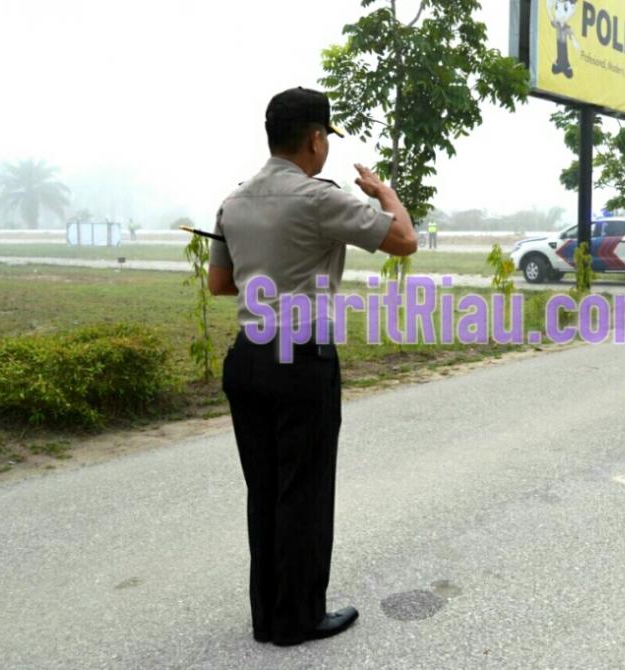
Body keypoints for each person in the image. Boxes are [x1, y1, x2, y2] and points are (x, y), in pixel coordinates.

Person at [207, 86, 417, 646]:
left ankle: (267, 616)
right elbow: (404, 240)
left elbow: (220, 283)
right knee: (304, 492)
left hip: (248, 357)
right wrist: (384, 192)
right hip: (299, 359)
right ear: (316, 139)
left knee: (266, 490)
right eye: (327, 139)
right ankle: (298, 618)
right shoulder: (320, 199)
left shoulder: (233, 202)